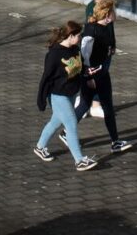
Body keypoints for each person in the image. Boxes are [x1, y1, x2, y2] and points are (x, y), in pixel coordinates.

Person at [34, 20, 99, 172]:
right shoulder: (54, 54)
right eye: (78, 35)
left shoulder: (75, 49)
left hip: (70, 93)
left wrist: (88, 75)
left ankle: (40, 147)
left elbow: (80, 67)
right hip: (58, 96)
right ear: (70, 36)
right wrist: (41, 99)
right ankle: (80, 160)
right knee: (71, 124)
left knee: (55, 122)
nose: (80, 38)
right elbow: (46, 78)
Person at [73, 0, 133, 154]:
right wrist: (89, 78)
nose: (115, 14)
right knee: (84, 106)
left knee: (108, 107)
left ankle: (115, 142)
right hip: (92, 77)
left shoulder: (106, 27)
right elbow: (84, 57)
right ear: (107, 14)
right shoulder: (91, 32)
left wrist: (109, 50)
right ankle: (66, 133)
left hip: (103, 75)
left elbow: (107, 45)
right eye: (113, 11)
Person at [84, 0, 116, 118]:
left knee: (102, 75)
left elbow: (111, 26)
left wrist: (113, 44)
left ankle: (93, 103)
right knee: (94, 76)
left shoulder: (109, 7)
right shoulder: (92, 7)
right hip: (97, 47)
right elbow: (91, 27)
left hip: (107, 45)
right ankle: (91, 104)